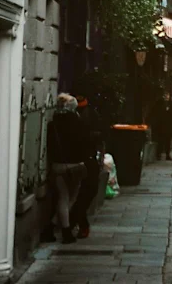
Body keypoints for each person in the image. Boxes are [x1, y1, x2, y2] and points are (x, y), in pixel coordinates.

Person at [47, 94, 92, 244]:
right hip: (75, 165)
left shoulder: (52, 124)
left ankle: (51, 228)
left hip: (57, 165)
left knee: (62, 197)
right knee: (71, 198)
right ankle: (65, 231)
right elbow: (86, 144)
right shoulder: (79, 123)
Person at [69, 95, 101, 239]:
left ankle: (73, 222)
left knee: (77, 195)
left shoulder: (80, 116)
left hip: (80, 160)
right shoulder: (86, 115)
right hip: (85, 160)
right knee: (86, 193)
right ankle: (74, 222)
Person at [150, 92, 172, 161]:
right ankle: (165, 154)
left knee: (160, 141)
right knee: (165, 141)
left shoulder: (157, 105)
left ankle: (158, 155)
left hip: (160, 126)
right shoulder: (163, 106)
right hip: (163, 126)